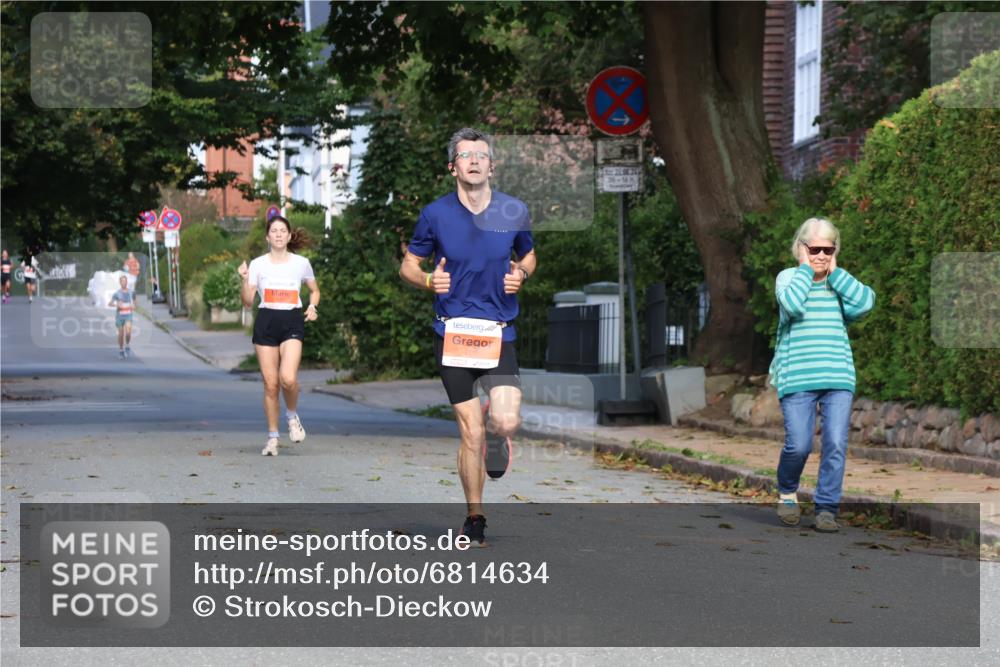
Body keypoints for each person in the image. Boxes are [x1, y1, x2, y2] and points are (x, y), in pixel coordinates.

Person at [399, 127, 537, 546]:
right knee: (469, 431)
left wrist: (521, 273)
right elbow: (408, 265)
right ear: (452, 167)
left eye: (481, 155)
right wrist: (428, 281)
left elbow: (528, 254)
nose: (474, 160)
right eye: (465, 155)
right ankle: (475, 516)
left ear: (491, 166)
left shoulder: (514, 211)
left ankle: (499, 436)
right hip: (453, 332)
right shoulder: (435, 214)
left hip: (498, 333)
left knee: (505, 420)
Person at [770, 217, 875, 532]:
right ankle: (787, 492)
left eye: (828, 250)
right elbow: (792, 305)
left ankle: (827, 508)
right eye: (814, 249)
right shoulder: (788, 278)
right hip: (797, 377)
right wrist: (805, 269)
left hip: (837, 377)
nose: (821, 256)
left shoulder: (837, 283)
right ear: (801, 248)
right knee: (799, 445)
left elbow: (866, 302)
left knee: (835, 444)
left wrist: (836, 272)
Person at [237, 215, 319, 457]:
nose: (279, 234)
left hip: (292, 320)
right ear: (267, 237)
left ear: (289, 235)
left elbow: (314, 290)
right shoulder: (257, 264)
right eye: (274, 231)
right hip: (267, 322)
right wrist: (245, 280)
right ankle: (273, 438)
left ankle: (292, 417)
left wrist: (313, 306)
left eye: (283, 230)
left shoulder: (301, 263)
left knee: (288, 379)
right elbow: (248, 301)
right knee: (271, 384)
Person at [108, 274, 136, 359]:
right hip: (120, 316)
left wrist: (134, 305)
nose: (124, 282)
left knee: (128, 332)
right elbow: (110, 303)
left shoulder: (131, 292)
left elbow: (135, 301)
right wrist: (116, 305)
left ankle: (127, 345)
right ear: (120, 283)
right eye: (122, 281)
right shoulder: (117, 293)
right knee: (121, 334)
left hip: (128, 314)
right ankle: (121, 350)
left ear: (127, 282)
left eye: (125, 281)